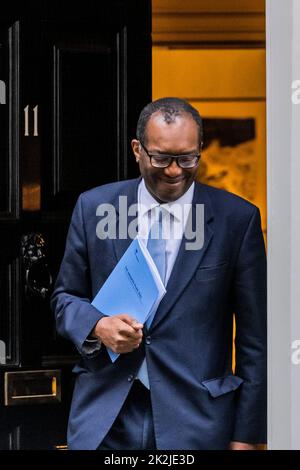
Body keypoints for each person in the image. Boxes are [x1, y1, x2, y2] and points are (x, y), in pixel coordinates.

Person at [51, 97, 267, 450]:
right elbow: (64, 299)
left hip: (197, 419)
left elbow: (255, 339)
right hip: (105, 418)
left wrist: (246, 435)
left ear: (199, 149)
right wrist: (97, 326)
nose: (174, 171)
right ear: (137, 150)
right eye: (162, 158)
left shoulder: (237, 220)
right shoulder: (94, 208)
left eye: (187, 158)